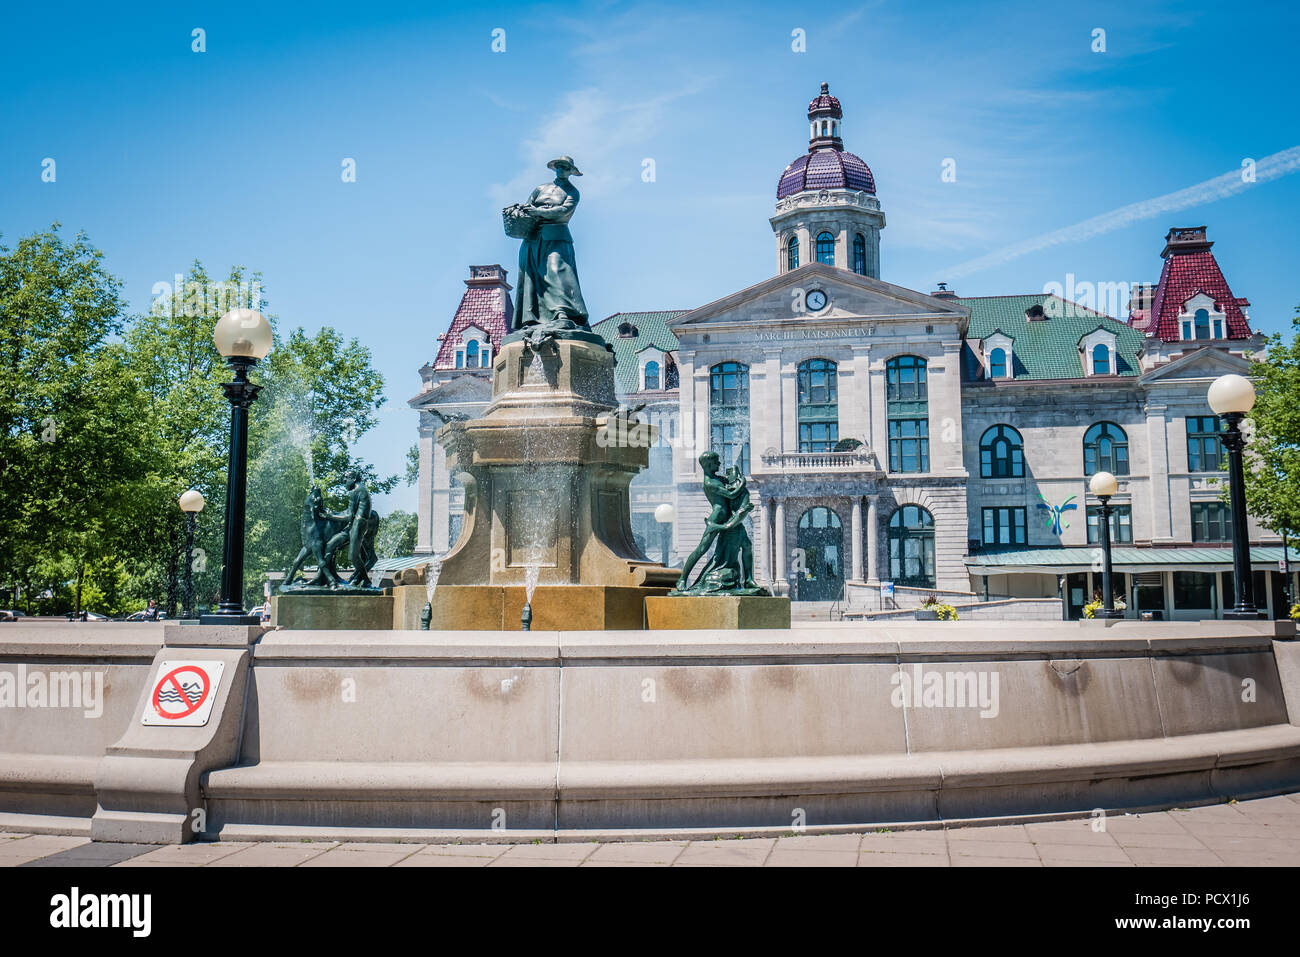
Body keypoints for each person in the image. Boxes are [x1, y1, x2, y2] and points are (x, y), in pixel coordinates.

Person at [507, 156, 590, 344]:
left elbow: (562, 212)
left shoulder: (572, 192)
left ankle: (563, 312)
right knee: (532, 278)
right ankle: (531, 318)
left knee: (558, 272)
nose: (561, 169)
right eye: (559, 166)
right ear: (554, 169)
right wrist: (523, 210)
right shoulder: (540, 189)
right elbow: (528, 206)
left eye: (565, 167)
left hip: (557, 236)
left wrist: (537, 212)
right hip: (533, 237)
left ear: (571, 171)